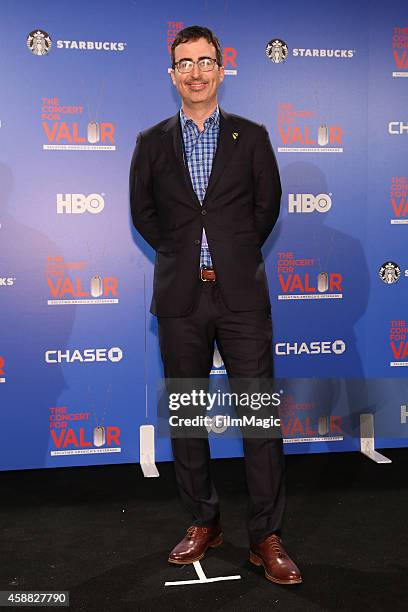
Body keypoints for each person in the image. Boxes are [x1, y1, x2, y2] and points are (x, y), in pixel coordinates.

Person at [129, 25, 302, 585]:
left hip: (241, 296)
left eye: (206, 62)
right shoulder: (150, 142)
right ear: (172, 73)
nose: (197, 72)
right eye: (186, 63)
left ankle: (266, 536)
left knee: (258, 416)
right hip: (181, 296)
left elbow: (265, 208)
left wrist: (227, 255)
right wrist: (188, 258)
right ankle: (203, 521)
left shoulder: (249, 137)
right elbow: (145, 217)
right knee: (187, 414)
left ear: (221, 69)